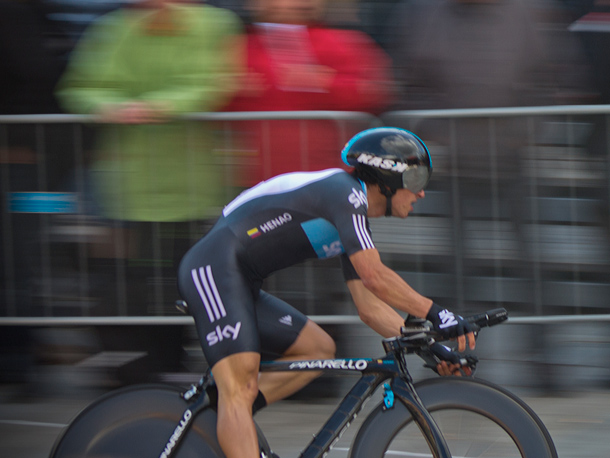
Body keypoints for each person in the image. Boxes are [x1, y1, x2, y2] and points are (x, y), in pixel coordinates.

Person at [177, 127, 476, 458]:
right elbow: (375, 276)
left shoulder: (353, 216)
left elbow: (369, 307)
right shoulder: (344, 193)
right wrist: (437, 313)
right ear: (387, 178)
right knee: (240, 385)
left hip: (239, 280)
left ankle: (231, 418)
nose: (421, 194)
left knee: (317, 349)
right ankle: (234, 410)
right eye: (417, 181)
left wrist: (432, 349)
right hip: (211, 269)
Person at [55, 0, 244, 314]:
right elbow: (80, 86)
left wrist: (159, 107)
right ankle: (149, 356)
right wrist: (106, 107)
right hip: (128, 181)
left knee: (192, 273)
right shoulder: (113, 27)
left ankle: (190, 349)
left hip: (192, 179)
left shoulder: (215, 23)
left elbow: (216, 81)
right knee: (135, 277)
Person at [224, 0, 395, 187]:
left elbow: (373, 91)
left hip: (327, 175)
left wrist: (324, 83)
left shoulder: (341, 42)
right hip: (264, 177)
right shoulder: (243, 46)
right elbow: (222, 100)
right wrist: (232, 89)